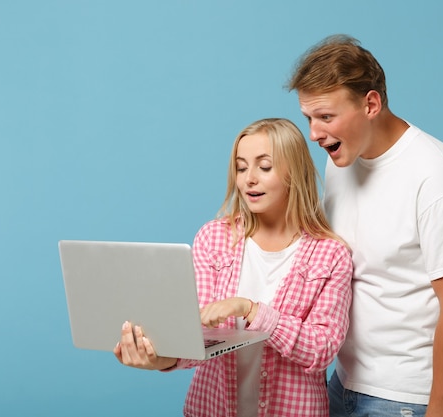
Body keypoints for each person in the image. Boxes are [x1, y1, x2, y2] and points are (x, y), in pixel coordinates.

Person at [288, 34, 443, 417]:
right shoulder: (341, 158)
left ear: (371, 104)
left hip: (404, 400)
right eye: (308, 118)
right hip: (342, 385)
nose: (314, 133)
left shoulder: (435, 176)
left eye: (326, 116)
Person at [114, 117, 354, 417]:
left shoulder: (330, 255)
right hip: (211, 407)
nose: (248, 179)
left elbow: (322, 349)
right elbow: (196, 338)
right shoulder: (213, 239)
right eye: (241, 167)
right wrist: (160, 360)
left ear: (294, 172)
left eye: (264, 167)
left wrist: (249, 309)